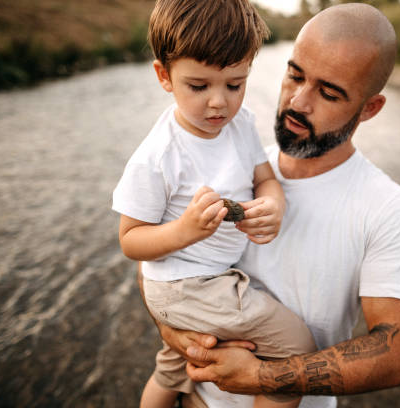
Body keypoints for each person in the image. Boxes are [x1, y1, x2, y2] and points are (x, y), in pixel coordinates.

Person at [154, 3, 400, 408]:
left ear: (370, 108)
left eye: (328, 92)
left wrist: (261, 377)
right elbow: (157, 267)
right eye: (294, 75)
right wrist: (173, 333)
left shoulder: (385, 207)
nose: (298, 101)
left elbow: (396, 355)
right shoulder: (230, 168)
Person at [112, 1, 317, 408]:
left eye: (234, 84)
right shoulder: (158, 156)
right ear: (163, 76)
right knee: (297, 349)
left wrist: (272, 205)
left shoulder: (239, 125)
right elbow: (130, 241)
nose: (219, 103)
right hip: (185, 285)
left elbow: (263, 179)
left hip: (208, 277)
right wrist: (185, 231)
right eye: (199, 86)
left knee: (171, 369)